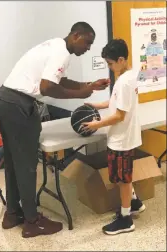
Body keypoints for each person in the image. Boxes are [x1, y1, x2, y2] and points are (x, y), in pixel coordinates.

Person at [0, 22, 110, 239]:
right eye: (88, 42)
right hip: (18, 105)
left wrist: (88, 85)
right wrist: (79, 95)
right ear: (76, 35)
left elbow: (59, 80)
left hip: (4, 99)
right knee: (26, 165)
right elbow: (47, 87)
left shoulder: (54, 45)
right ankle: (32, 222)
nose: (88, 48)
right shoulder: (62, 53)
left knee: (12, 161)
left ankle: (12, 214)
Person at [82, 39, 146, 235]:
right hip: (123, 137)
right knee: (122, 176)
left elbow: (119, 116)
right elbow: (114, 103)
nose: (109, 68)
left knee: (123, 180)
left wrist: (95, 125)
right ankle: (134, 202)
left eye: (110, 63)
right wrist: (95, 105)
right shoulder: (130, 74)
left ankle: (126, 219)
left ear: (120, 59)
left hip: (122, 139)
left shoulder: (125, 81)